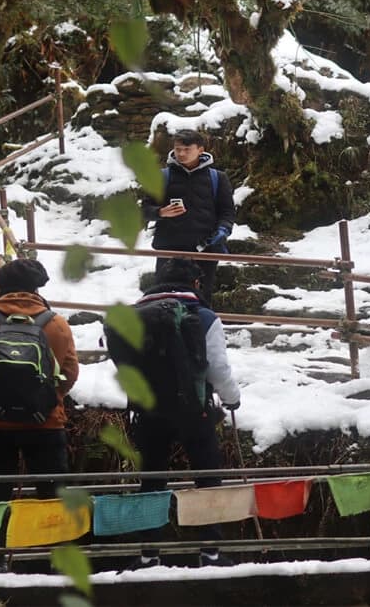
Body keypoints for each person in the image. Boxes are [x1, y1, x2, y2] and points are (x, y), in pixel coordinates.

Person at [0, 258, 79, 573]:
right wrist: (47, 402)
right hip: (46, 424)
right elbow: (69, 372)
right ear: (35, 288)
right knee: (52, 493)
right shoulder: (56, 323)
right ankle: (59, 561)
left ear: (0, 287)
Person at [126, 258, 240, 569]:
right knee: (207, 477)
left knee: (151, 481)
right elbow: (217, 367)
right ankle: (210, 553)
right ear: (196, 283)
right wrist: (232, 399)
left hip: (149, 410)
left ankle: (148, 556)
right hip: (194, 410)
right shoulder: (203, 316)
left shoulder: (136, 315)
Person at [142, 129, 235, 305]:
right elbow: (144, 209)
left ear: (200, 150)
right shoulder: (161, 176)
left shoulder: (218, 177)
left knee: (202, 297)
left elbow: (227, 211)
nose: (181, 154)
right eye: (178, 149)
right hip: (169, 247)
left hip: (205, 248)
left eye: (187, 149)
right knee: (163, 295)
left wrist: (223, 230)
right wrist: (160, 212)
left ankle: (200, 331)